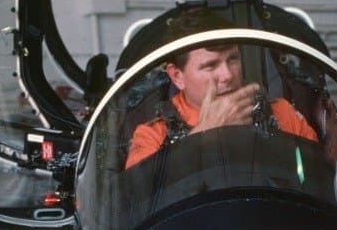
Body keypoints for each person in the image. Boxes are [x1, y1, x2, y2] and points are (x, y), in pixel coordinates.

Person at [126, 41, 317, 168]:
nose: (227, 75)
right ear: (177, 76)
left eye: (233, 59)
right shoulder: (152, 135)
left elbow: (318, 177)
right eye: (210, 66)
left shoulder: (281, 113)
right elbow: (137, 200)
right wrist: (203, 134)